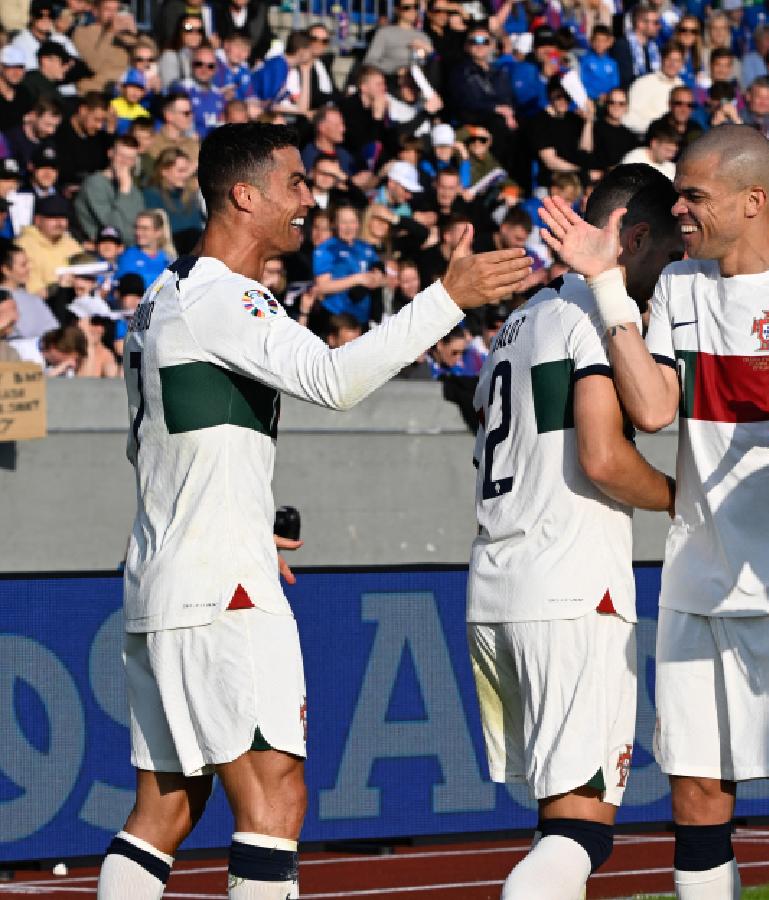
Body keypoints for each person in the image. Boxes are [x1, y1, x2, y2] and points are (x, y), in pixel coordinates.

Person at [94, 121, 530, 900]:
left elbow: (172, 445)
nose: (309, 198)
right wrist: (446, 300)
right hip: (218, 588)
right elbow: (335, 380)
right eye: (295, 183)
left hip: (166, 575)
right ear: (244, 194)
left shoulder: (166, 292)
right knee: (275, 798)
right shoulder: (223, 297)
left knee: (165, 806)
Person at [541, 124, 769, 900]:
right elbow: (655, 411)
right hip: (696, 584)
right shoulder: (683, 289)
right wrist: (604, 285)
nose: (681, 210)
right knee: (696, 799)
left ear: (754, 200)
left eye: (695, 195)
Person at [472, 164, 678, 900]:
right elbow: (603, 456)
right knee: (581, 830)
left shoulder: (518, 321)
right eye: (670, 248)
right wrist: (681, 499)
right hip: (570, 587)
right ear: (638, 236)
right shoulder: (594, 314)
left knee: (558, 819)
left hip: (499, 583)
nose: (674, 267)